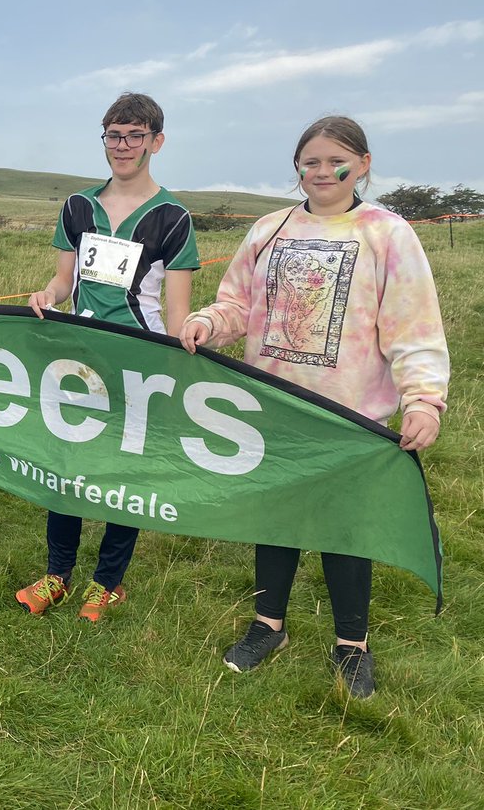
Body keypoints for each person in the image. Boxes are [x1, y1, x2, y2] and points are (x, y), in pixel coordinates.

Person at [180, 116, 449, 699]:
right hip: (273, 408)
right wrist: (207, 321)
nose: (322, 172)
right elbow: (236, 304)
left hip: (350, 419)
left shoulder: (387, 233)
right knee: (274, 520)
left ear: (364, 164)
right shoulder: (269, 229)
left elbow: (414, 325)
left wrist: (423, 399)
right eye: (310, 162)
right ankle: (267, 625)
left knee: (344, 531)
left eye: (336, 161)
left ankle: (353, 645)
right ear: (297, 168)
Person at [17, 92, 199, 621]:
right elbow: (61, 279)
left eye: (135, 136)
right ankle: (58, 574)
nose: (123, 146)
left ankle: (108, 582)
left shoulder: (173, 217)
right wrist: (46, 296)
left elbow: (177, 309)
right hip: (75, 359)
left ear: (156, 142)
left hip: (137, 363)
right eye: (114, 136)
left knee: (124, 472)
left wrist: (184, 356)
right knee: (66, 463)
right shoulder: (77, 207)